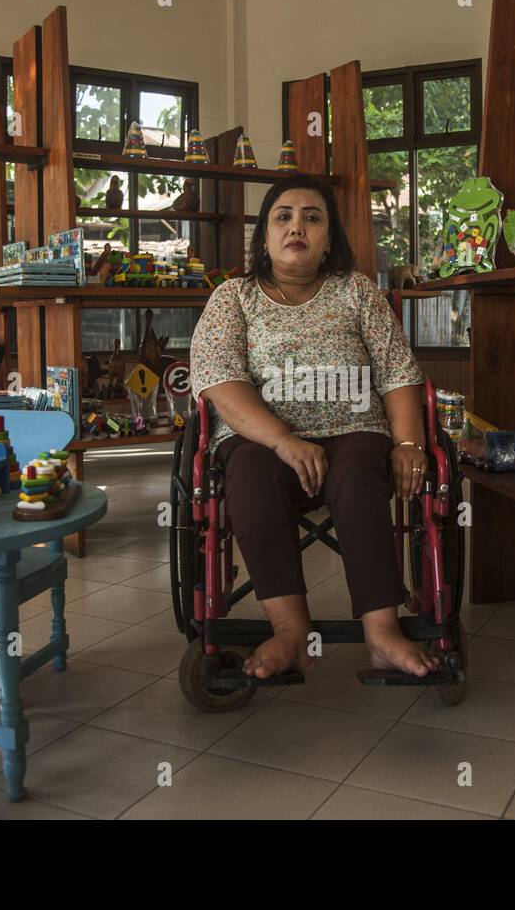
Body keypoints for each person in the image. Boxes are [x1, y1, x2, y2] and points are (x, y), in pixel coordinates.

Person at [189, 173, 441, 680]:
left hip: (353, 430)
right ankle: (290, 632)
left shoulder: (357, 292)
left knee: (359, 477)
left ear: (329, 240)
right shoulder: (233, 297)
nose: (296, 227)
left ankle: (382, 631)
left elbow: (398, 372)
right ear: (264, 236)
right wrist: (284, 439)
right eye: (283, 216)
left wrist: (410, 441)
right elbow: (219, 380)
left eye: (312, 217)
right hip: (261, 436)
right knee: (251, 476)